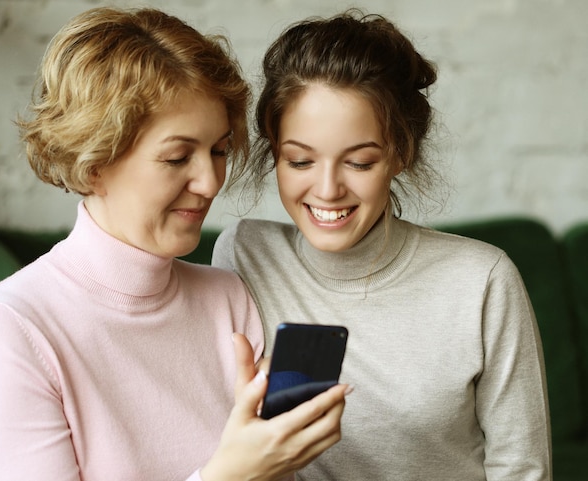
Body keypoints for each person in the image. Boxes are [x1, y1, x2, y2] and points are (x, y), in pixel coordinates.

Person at [0, 7, 349, 481]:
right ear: (93, 164)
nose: (209, 182)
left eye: (219, 150)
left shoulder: (228, 299)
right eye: (177, 157)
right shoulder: (11, 328)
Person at [212, 9, 552, 480]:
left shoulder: (481, 279)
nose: (328, 190)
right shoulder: (245, 255)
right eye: (300, 160)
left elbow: (521, 467)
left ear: (400, 153)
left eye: (360, 163)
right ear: (274, 151)